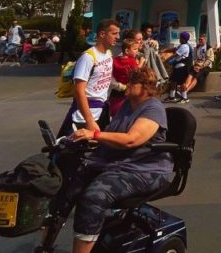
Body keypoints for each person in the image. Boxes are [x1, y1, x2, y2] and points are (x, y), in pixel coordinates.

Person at [58, 66, 175, 253]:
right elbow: (113, 133)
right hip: (118, 163)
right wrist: (88, 139)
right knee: (68, 186)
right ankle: (46, 245)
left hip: (144, 169)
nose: (128, 85)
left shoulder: (154, 109)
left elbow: (131, 140)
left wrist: (95, 134)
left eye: (133, 82)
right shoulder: (128, 104)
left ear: (146, 87)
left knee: (94, 197)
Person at [57, 19, 117, 137]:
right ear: (102, 34)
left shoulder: (109, 54)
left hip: (102, 112)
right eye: (114, 33)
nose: (117, 37)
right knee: (70, 151)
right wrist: (89, 120)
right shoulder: (88, 58)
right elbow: (79, 91)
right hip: (83, 116)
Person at [108, 38, 141, 117]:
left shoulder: (115, 60)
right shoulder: (131, 61)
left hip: (115, 88)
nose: (137, 51)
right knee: (125, 108)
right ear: (126, 51)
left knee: (114, 104)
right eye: (135, 49)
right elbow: (136, 72)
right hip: (127, 87)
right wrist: (142, 63)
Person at [165, 32, 194, 104]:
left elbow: (176, 55)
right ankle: (172, 97)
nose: (179, 39)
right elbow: (174, 49)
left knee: (182, 83)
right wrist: (166, 50)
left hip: (181, 67)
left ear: (184, 39)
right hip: (177, 67)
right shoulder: (182, 45)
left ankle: (185, 98)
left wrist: (167, 60)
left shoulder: (185, 46)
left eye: (180, 38)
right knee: (173, 81)